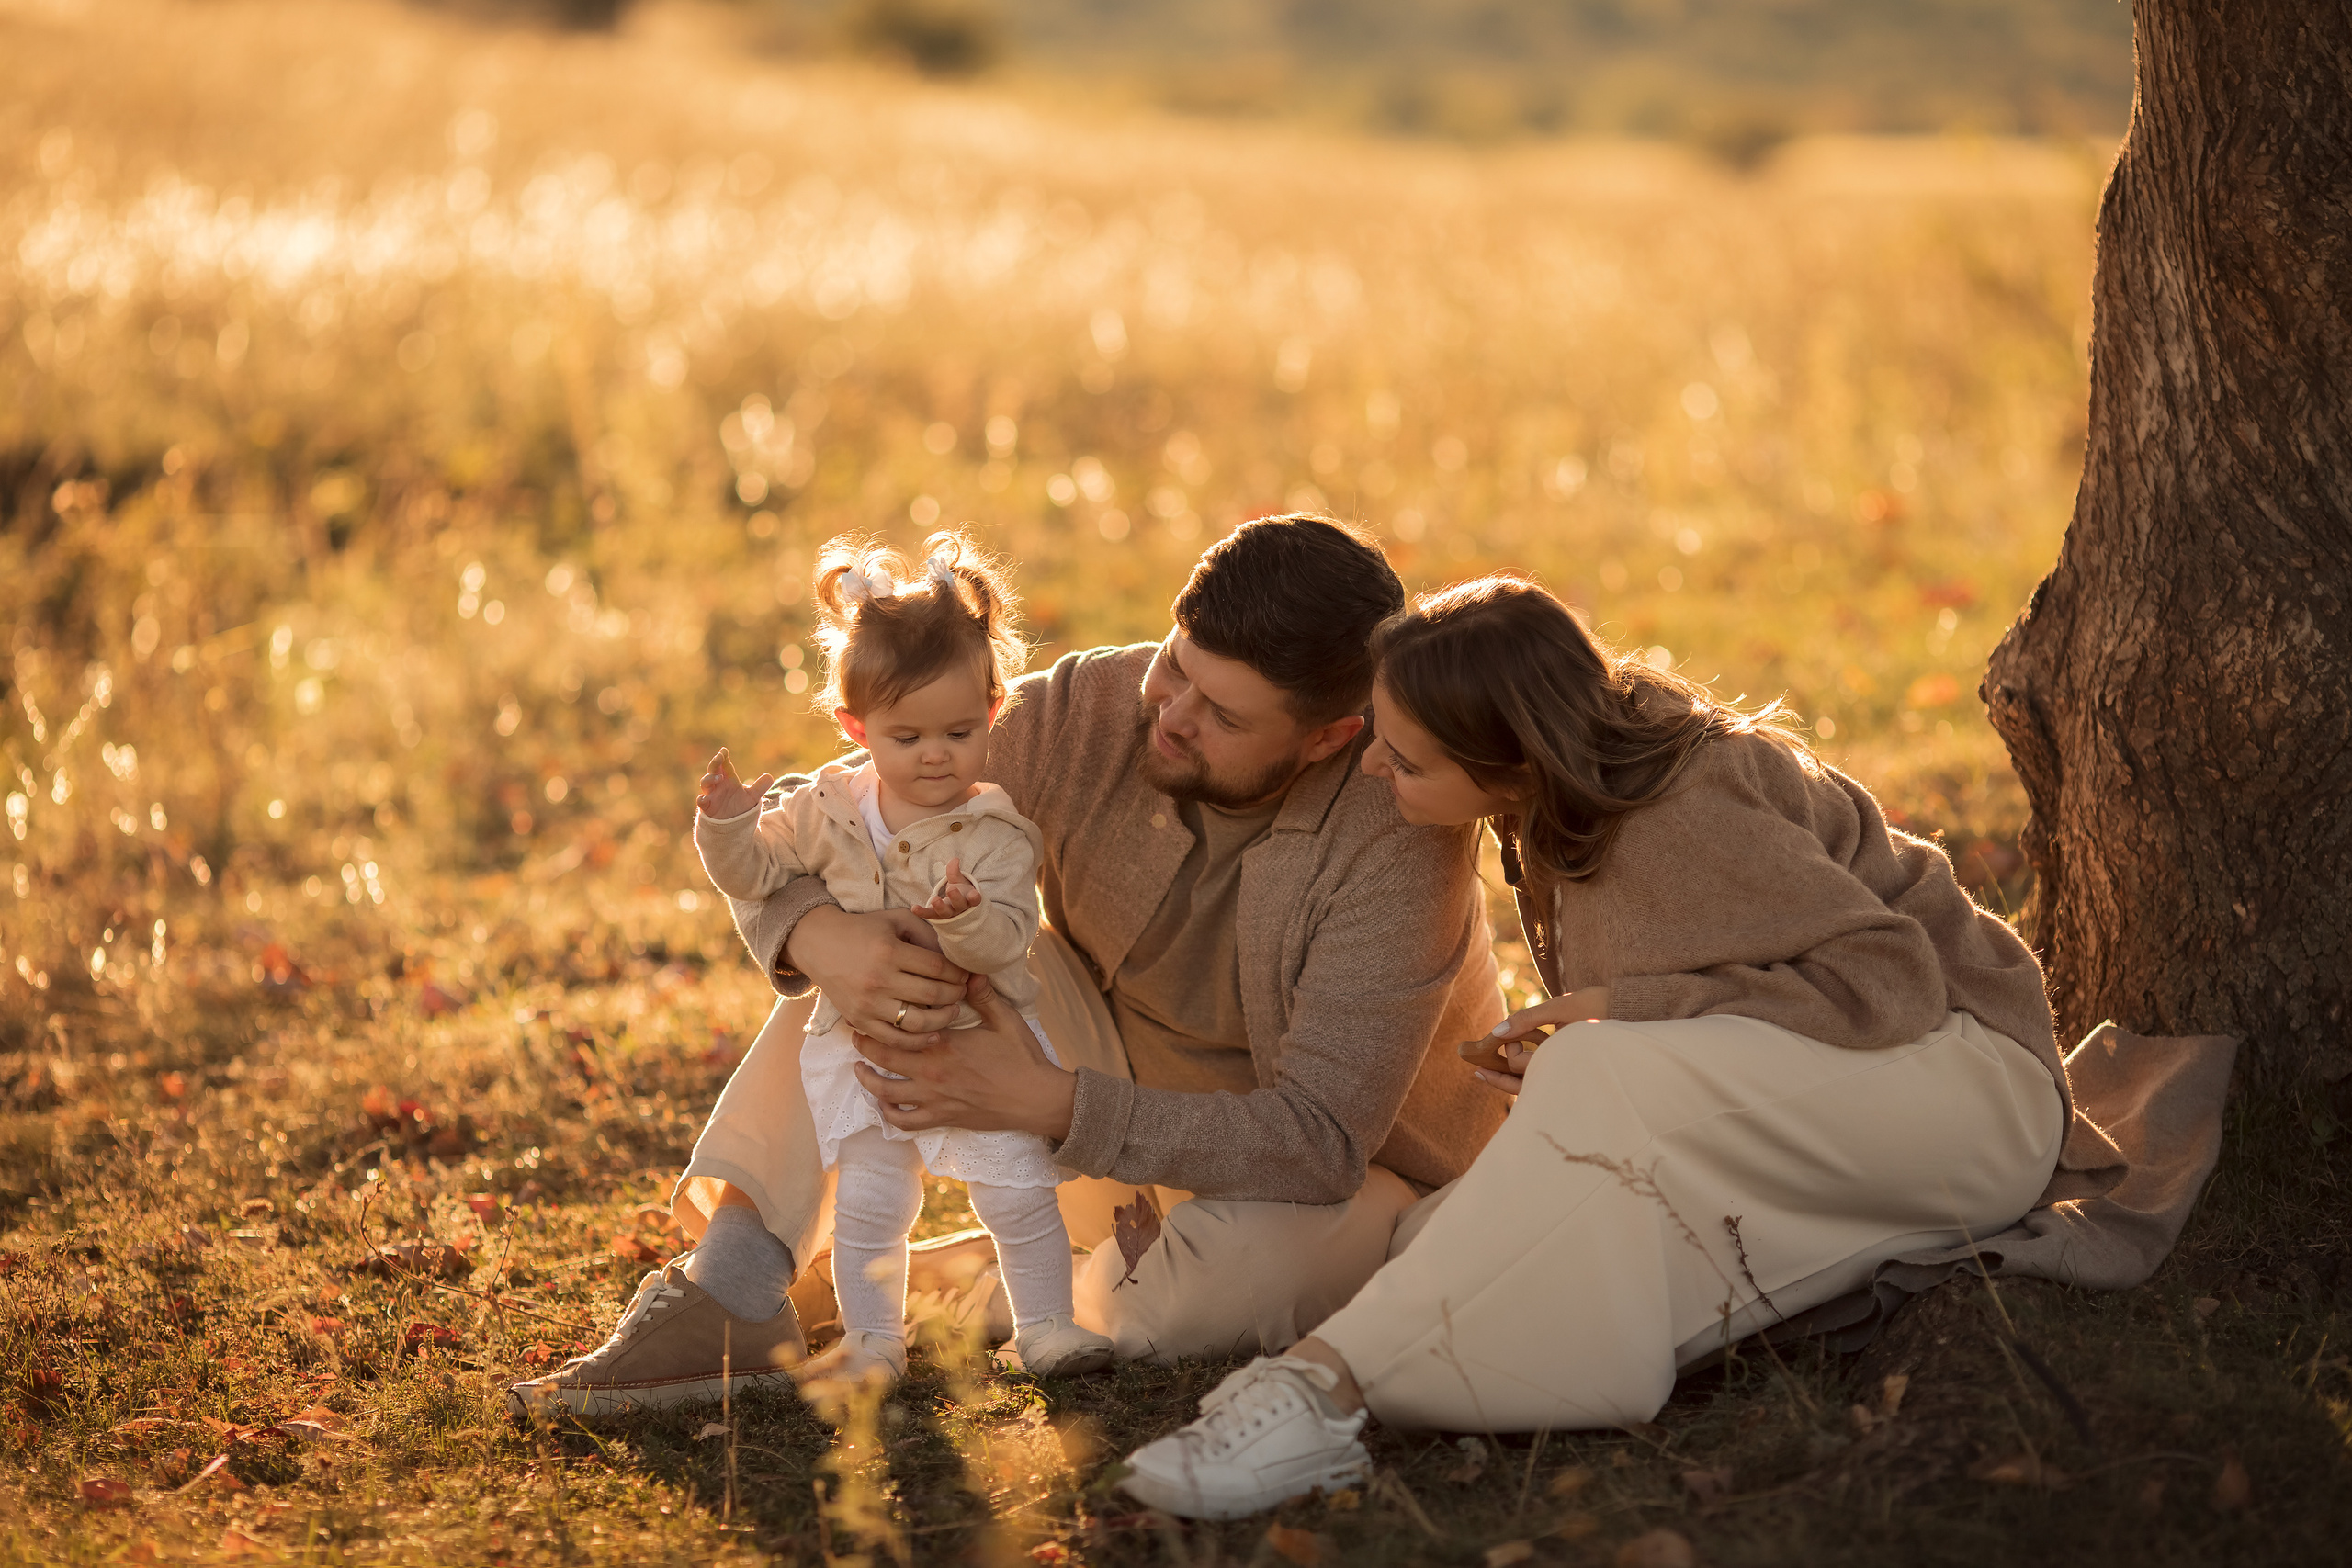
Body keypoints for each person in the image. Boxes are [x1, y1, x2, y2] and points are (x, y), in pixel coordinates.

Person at [1116, 572, 2073, 1519]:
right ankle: (1563, 1369)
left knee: (1592, 1069)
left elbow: (1889, 980)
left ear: (1509, 765)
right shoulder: (1561, 795)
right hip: (1837, 1092)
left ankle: (1314, 1394)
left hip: (1967, 1086)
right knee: (1421, 1240)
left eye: (1406, 763)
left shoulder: (1681, 808)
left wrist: (1627, 1010)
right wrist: (1620, 1029)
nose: (1371, 768)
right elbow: (1717, 1007)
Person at [506, 516, 1508, 1418]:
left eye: (1223, 716)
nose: (1171, 713)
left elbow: (1321, 1138)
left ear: (1331, 735)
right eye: (1176, 667)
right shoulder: (1097, 706)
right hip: (1108, 1087)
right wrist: (821, 937)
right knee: (888, 947)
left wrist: (1048, 1103)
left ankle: (969, 1287)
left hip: (1340, 1174)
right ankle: (734, 1289)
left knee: (1220, 1298)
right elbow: (832, 809)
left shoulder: (1395, 832)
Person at [691, 533, 1114, 1385]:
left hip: (979, 1041)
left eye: (959, 731)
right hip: (869, 1046)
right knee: (874, 1205)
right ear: (855, 726)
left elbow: (1007, 937)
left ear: (994, 710)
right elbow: (758, 874)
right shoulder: (828, 804)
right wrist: (726, 825)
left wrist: (966, 922)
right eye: (907, 734)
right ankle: (874, 1342)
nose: (934, 755)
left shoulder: (992, 830)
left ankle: (1047, 1327)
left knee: (1018, 1193)